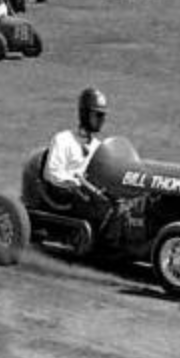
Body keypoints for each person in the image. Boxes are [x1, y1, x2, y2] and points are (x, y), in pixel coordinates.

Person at [43, 88, 118, 247]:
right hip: (67, 195)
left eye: (103, 116)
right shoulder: (63, 139)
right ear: (84, 114)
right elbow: (52, 173)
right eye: (97, 115)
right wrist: (76, 182)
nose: (101, 120)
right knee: (103, 205)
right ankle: (107, 244)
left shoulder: (100, 147)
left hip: (90, 193)